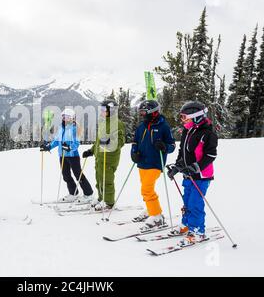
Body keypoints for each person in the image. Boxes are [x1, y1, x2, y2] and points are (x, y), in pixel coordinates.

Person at [167, 101, 218, 244]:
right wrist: (177, 167)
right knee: (187, 201)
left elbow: (211, 155)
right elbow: (182, 152)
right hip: (187, 174)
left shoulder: (208, 133)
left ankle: (197, 231)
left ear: (196, 117)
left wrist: (196, 167)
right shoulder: (187, 130)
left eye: (185, 117)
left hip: (201, 175)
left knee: (195, 202)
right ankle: (187, 224)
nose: (182, 120)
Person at [131, 100, 176, 229]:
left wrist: (164, 146)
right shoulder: (141, 126)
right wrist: (134, 153)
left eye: (144, 112)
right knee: (145, 189)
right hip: (142, 163)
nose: (142, 115)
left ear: (152, 112)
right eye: (140, 112)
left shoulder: (163, 127)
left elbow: (172, 146)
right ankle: (150, 209)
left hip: (155, 163)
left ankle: (157, 216)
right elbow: (135, 142)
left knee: (147, 189)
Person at [40, 108, 94, 203]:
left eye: (68, 117)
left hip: (73, 156)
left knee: (78, 175)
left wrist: (69, 147)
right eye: (64, 117)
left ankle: (88, 194)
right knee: (66, 176)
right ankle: (73, 193)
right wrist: (48, 147)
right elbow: (57, 141)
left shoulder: (75, 128)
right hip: (62, 155)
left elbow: (77, 143)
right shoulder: (61, 127)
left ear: (73, 118)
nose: (66, 119)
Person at [83, 99, 125, 211]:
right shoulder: (102, 122)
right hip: (100, 157)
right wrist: (91, 151)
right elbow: (98, 141)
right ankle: (101, 198)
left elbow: (121, 141)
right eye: (100, 109)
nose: (101, 111)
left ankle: (109, 203)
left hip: (109, 158)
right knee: (99, 179)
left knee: (107, 181)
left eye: (103, 109)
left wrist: (110, 141)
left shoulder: (117, 123)